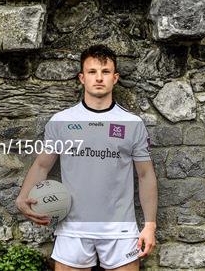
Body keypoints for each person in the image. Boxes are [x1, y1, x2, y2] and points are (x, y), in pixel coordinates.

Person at [16, 45, 158, 271]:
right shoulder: (61, 121)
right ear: (82, 78)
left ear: (115, 77)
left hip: (120, 231)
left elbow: (145, 174)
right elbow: (42, 165)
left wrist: (150, 225)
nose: (99, 78)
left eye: (105, 71)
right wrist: (22, 197)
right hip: (72, 228)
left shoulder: (132, 123)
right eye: (92, 72)